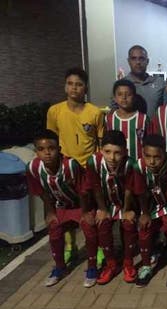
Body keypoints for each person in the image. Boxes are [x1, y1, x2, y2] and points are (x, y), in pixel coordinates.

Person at [46, 67, 104, 265]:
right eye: (70, 84)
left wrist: (95, 165)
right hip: (64, 169)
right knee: (66, 206)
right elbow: (50, 140)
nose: (74, 88)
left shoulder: (95, 112)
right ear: (65, 86)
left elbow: (100, 142)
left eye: (79, 84)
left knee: (91, 209)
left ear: (85, 88)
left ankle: (97, 248)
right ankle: (70, 246)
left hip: (87, 168)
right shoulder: (55, 111)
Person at [26, 130, 98, 287]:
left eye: (51, 148)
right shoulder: (33, 168)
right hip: (61, 206)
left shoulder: (70, 165)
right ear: (36, 151)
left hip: (80, 204)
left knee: (89, 227)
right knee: (54, 228)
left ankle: (92, 267)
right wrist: (51, 212)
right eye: (41, 149)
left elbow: (84, 191)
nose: (47, 153)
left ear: (58, 148)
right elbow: (42, 192)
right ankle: (59, 267)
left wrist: (85, 212)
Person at [84, 130, 137, 285]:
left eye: (117, 153)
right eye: (107, 152)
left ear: (125, 152)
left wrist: (127, 210)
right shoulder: (93, 162)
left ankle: (128, 263)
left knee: (128, 223)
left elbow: (129, 190)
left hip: (124, 203)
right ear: (101, 150)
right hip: (105, 203)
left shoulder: (130, 164)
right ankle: (111, 264)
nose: (112, 158)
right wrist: (102, 209)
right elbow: (95, 187)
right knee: (102, 222)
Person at [134, 134, 167, 287]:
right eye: (148, 156)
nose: (152, 161)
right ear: (142, 153)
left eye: (157, 157)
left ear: (164, 155)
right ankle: (146, 266)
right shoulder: (139, 166)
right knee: (144, 228)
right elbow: (140, 192)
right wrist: (145, 213)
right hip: (150, 207)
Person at [105, 79, 149, 160]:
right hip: (116, 164)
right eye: (120, 94)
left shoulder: (143, 119)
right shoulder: (109, 119)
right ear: (114, 98)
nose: (124, 98)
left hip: (137, 165)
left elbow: (149, 144)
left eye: (128, 94)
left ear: (134, 97)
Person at [124, 45, 164, 118]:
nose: (138, 62)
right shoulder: (121, 86)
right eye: (134, 58)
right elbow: (115, 112)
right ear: (129, 61)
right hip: (129, 128)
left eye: (141, 58)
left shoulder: (159, 83)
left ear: (147, 61)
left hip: (154, 128)